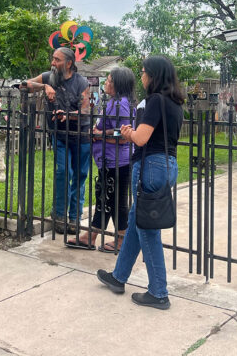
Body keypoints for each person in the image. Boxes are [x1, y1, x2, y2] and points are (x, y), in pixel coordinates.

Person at [96, 55, 185, 310]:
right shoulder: (175, 103)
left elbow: (142, 138)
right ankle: (118, 277)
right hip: (167, 165)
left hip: (150, 166)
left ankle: (159, 292)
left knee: (148, 230)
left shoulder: (156, 100)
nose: (142, 76)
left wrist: (128, 133)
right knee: (137, 224)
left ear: (153, 76)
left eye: (144, 72)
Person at [67, 67, 135, 251]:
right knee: (105, 199)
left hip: (118, 161)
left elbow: (123, 133)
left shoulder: (122, 103)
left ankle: (119, 240)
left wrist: (99, 133)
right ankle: (91, 236)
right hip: (108, 160)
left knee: (116, 202)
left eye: (110, 80)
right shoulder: (115, 102)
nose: (106, 82)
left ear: (118, 84)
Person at [25, 47, 91, 234]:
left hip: (81, 135)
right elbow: (24, 85)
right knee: (63, 172)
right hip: (59, 135)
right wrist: (43, 86)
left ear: (69, 63)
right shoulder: (48, 77)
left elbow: (86, 111)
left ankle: (74, 218)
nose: (52, 63)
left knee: (79, 175)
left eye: (57, 60)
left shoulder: (82, 82)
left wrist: (68, 115)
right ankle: (59, 215)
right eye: (52, 59)